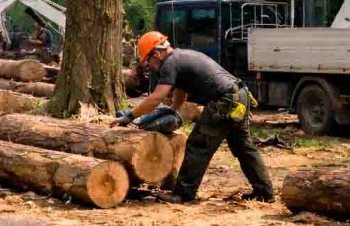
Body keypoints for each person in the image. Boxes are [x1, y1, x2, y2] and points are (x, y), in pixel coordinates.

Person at [112, 31, 274, 204]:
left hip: (225, 101)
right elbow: (182, 90)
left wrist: (130, 116)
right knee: (243, 147)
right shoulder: (181, 57)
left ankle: (183, 194)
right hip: (238, 95)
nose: (150, 65)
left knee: (198, 145)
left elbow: (156, 97)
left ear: (156, 53)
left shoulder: (170, 63)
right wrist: (173, 109)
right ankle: (264, 191)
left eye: (148, 60)